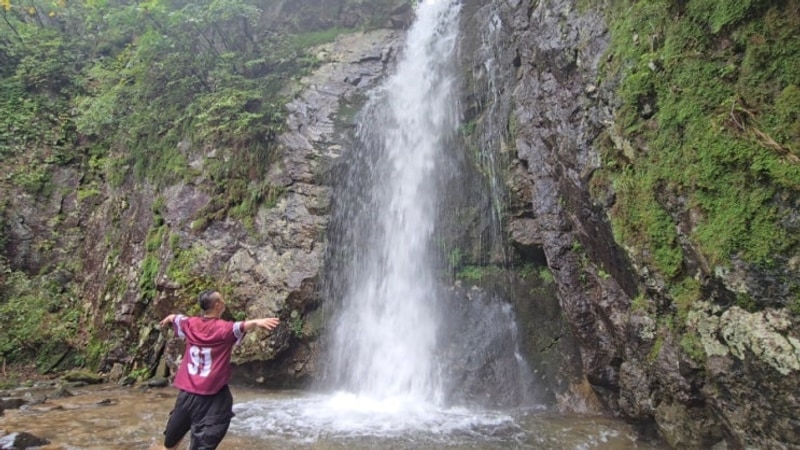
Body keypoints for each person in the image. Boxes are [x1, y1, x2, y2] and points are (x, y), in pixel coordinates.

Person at [157, 289, 280, 450]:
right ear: (217, 305)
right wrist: (257, 322)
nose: (224, 303)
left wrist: (168, 319)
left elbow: (176, 318)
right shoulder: (224, 329)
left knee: (172, 441)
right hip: (211, 394)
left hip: (187, 392)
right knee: (206, 438)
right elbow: (241, 326)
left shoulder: (190, 323)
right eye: (222, 300)